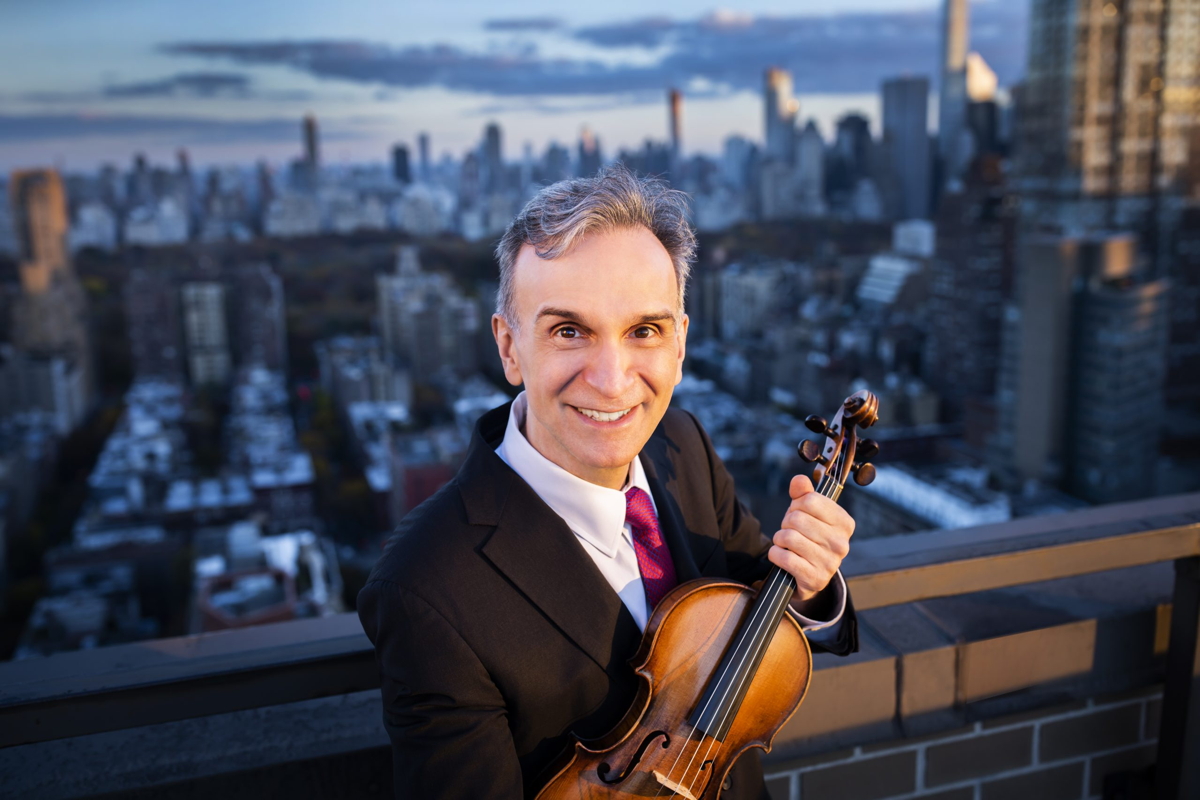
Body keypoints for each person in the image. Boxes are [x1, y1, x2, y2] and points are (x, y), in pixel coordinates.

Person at [358, 165, 859, 799]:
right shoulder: (425, 587)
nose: (612, 378)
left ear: (679, 344)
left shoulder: (684, 445)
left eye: (643, 331)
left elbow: (761, 596)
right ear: (510, 348)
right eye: (570, 331)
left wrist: (810, 582)